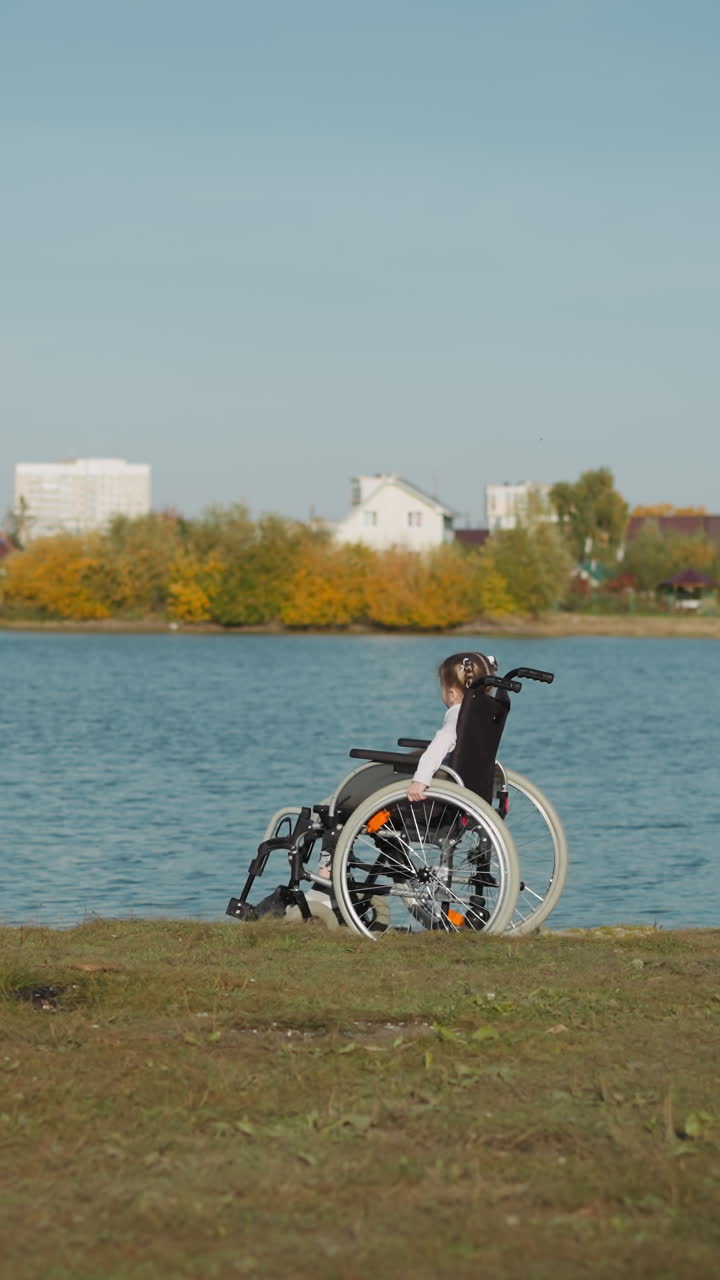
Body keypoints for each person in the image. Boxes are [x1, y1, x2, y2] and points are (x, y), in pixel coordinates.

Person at [407, 651, 498, 802]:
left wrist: (421, 779)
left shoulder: (459, 714)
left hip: (450, 781)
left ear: (452, 694)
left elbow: (443, 741)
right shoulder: (483, 712)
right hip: (475, 780)